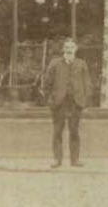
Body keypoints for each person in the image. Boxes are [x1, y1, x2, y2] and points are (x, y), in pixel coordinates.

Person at [39, 37, 92, 168]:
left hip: (75, 102)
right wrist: (50, 100)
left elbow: (87, 84)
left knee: (74, 131)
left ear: (76, 49)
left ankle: (75, 160)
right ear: (63, 49)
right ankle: (57, 160)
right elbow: (47, 84)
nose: (69, 50)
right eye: (67, 47)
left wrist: (84, 102)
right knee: (57, 131)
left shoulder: (81, 64)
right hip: (59, 103)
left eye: (71, 47)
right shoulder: (55, 63)